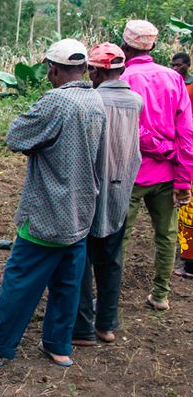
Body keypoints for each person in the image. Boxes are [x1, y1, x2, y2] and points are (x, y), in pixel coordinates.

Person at [0, 39, 105, 367]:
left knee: (20, 280)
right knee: (67, 282)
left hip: (48, 209)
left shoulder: (56, 102)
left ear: (54, 69)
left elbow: (16, 137)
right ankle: (59, 346)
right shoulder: (95, 100)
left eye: (49, 69)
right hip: (80, 209)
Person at [72, 43, 142, 346]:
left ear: (98, 71)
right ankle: (107, 324)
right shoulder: (136, 101)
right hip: (120, 188)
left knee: (81, 259)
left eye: (91, 69)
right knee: (112, 258)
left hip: (90, 190)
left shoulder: (92, 100)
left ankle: (83, 328)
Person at [121, 20, 193, 311]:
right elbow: (186, 133)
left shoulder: (123, 77)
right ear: (153, 46)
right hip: (167, 173)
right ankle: (160, 295)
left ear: (125, 46)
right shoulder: (173, 78)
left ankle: (108, 296)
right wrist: (184, 180)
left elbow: (125, 130)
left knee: (119, 236)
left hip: (130, 173)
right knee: (166, 236)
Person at [172, 52, 193, 279]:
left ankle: (189, 264)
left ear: (187, 66)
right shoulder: (174, 83)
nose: (176, 68)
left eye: (179, 65)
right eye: (173, 65)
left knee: (188, 212)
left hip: (187, 146)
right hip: (184, 145)